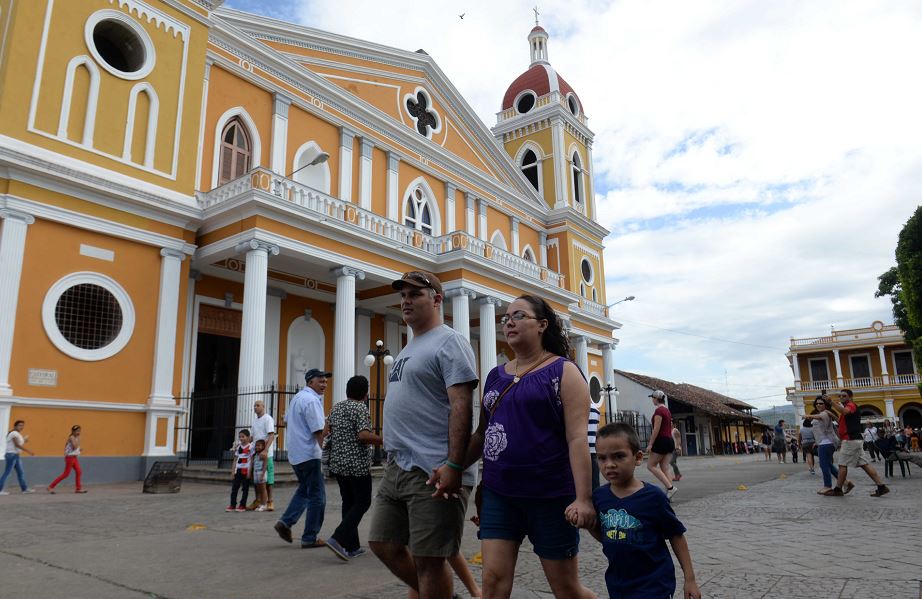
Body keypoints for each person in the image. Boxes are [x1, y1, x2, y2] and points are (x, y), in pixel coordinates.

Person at [464, 294, 596, 599]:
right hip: (500, 493)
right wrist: (454, 467)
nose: (509, 322)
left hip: (550, 495)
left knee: (566, 589)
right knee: (493, 582)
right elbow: (482, 434)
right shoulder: (496, 376)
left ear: (542, 325)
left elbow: (577, 439)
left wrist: (584, 499)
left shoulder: (564, 371)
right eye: (505, 317)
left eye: (519, 316)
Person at [368, 271, 479, 599]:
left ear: (437, 299)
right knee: (382, 543)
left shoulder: (449, 341)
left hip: (434, 469)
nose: (406, 300)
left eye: (415, 294)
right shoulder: (408, 348)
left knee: (430, 560)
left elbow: (462, 405)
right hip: (398, 466)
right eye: (403, 295)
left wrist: (454, 465)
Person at [590, 422, 701, 599]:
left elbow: (676, 535)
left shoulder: (653, 498)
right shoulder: (599, 498)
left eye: (619, 456)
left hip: (654, 584)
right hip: (618, 584)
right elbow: (607, 535)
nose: (609, 464)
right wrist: (588, 525)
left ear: (638, 458)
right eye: (602, 458)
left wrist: (690, 579)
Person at [323, 375, 383, 561]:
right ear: (365, 393)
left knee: (348, 502)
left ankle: (351, 546)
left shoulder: (337, 407)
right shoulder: (360, 409)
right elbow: (363, 435)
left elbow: (326, 432)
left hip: (338, 463)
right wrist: (384, 439)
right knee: (363, 502)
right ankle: (338, 538)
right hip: (356, 464)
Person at [273, 368, 328, 548]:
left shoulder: (297, 398)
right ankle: (309, 537)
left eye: (326, 381)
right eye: (321, 381)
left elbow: (288, 420)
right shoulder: (312, 401)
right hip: (309, 454)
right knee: (318, 497)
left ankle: (285, 522)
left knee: (305, 490)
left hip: (296, 454)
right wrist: (327, 454)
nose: (324, 384)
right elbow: (318, 431)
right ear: (310, 381)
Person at [823, 390, 889, 498]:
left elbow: (845, 411)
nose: (842, 397)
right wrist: (831, 414)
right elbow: (841, 421)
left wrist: (831, 402)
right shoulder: (846, 409)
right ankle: (881, 486)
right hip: (854, 440)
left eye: (844, 396)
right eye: (840, 396)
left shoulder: (851, 405)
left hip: (850, 440)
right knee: (864, 464)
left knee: (842, 464)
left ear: (851, 397)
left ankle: (838, 489)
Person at [804, 397, 843, 494]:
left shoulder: (825, 413)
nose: (818, 405)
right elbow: (820, 430)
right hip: (824, 442)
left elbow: (820, 417)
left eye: (821, 403)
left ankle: (827, 486)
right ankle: (845, 481)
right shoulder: (823, 413)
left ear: (825, 405)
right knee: (828, 464)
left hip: (826, 443)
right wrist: (816, 442)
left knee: (823, 465)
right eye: (817, 403)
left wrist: (810, 416)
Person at [646, 390, 677, 500]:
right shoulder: (667, 411)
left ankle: (670, 488)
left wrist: (650, 444)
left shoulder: (659, 411)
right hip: (669, 441)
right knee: (665, 467)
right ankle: (670, 494)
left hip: (661, 441)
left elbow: (656, 429)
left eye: (652, 398)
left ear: (655, 399)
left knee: (651, 466)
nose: (652, 400)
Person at [247, 400, 276, 511]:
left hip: (266, 454)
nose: (255, 407)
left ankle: (270, 501)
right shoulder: (254, 422)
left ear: (263, 407)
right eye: (254, 405)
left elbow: (271, 435)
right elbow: (252, 438)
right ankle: (258, 500)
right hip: (256, 454)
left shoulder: (268, 419)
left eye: (258, 405)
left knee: (268, 479)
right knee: (257, 479)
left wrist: (266, 450)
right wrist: (243, 444)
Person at [47, 425, 87, 494]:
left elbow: (75, 447)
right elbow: (75, 446)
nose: (79, 432)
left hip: (74, 456)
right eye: (77, 431)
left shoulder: (76, 437)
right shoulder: (71, 437)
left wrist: (79, 447)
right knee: (66, 474)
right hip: (69, 457)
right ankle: (50, 487)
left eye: (79, 431)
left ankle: (78, 489)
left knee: (79, 471)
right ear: (73, 431)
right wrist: (78, 439)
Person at [0, 420, 35, 495]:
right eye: (19, 425)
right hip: (11, 455)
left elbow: (18, 444)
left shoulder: (17, 434)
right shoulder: (13, 433)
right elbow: (16, 445)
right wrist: (28, 451)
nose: (21, 427)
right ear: (15, 426)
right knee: (7, 473)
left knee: (20, 473)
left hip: (16, 455)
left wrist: (24, 440)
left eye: (22, 425)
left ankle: (24, 489)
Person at [226, 429, 252, 512]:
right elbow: (235, 459)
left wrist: (249, 471)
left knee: (245, 489)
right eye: (240, 437)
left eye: (243, 437)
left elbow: (251, 460)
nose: (241, 438)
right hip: (238, 470)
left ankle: (242, 505)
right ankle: (232, 505)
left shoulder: (251, 447)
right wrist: (233, 471)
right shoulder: (238, 447)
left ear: (248, 437)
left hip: (246, 470)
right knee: (234, 488)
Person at [588, 394, 602, 489]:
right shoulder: (596, 409)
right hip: (593, 445)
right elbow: (597, 427)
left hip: (582, 445)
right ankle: (596, 496)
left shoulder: (579, 408)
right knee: (594, 475)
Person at [251, 439, 269, 511]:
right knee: (259, 489)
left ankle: (264, 504)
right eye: (256, 445)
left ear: (263, 446)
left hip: (261, 473)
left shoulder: (263, 455)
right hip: (255, 472)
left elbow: (265, 465)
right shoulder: (255, 455)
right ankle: (261, 504)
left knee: (263, 489)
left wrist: (262, 474)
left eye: (259, 445)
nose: (257, 447)